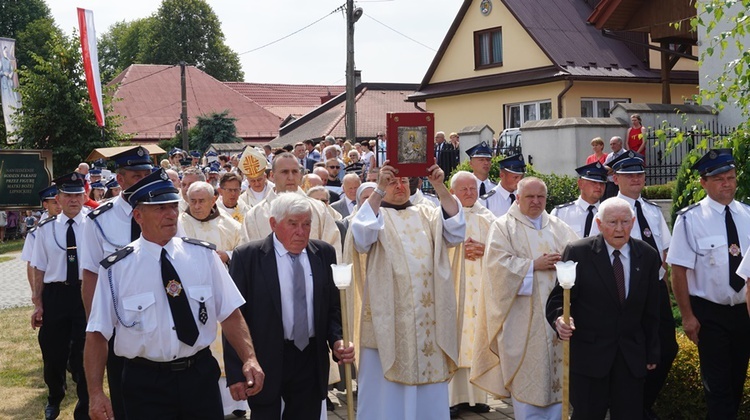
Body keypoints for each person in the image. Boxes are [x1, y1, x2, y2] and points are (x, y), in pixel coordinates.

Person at [84, 169, 265, 420]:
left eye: (172, 206)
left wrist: (250, 358)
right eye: (159, 208)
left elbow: (231, 313)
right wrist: (95, 393)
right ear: (138, 216)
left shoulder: (203, 256)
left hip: (198, 376)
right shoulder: (117, 269)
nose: (170, 214)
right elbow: (96, 334)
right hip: (145, 382)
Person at [348, 161, 465, 420]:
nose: (399, 186)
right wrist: (378, 190)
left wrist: (440, 186)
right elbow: (361, 238)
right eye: (392, 182)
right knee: (386, 398)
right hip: (387, 321)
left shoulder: (427, 213)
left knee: (428, 399)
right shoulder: (373, 215)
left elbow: (456, 231)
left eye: (404, 181)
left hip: (428, 324)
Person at [225, 193, 354, 419]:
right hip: (265, 359)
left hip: (310, 359)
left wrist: (337, 340)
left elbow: (333, 308)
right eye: (293, 224)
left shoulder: (323, 253)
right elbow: (235, 316)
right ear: (274, 224)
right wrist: (237, 371)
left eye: (306, 224)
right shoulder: (248, 257)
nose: (301, 232)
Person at [471, 177, 578, 419]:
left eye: (541, 197)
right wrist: (533, 265)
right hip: (522, 320)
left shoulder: (560, 228)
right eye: (529, 197)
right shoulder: (503, 227)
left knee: (558, 384)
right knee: (528, 386)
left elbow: (578, 263)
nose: (536, 201)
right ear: (517, 198)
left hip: (558, 318)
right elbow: (496, 268)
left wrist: (565, 265)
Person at [547, 197, 660, 420]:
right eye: (612, 222)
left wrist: (652, 349)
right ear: (599, 224)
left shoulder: (647, 255)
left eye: (625, 222)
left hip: (630, 355)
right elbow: (559, 298)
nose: (619, 228)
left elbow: (652, 309)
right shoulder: (579, 252)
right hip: (590, 355)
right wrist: (560, 319)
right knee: (588, 414)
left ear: (633, 222)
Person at [667, 149, 750, 419]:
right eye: (719, 179)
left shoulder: (748, 215)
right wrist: (688, 317)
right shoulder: (690, 219)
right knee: (717, 386)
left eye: (731, 177)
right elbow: (678, 270)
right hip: (710, 313)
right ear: (703, 182)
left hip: (744, 310)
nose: (727, 183)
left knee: (737, 380)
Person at [79, 145, 154, 419]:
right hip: (120, 322)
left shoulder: (163, 210)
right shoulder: (99, 220)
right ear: (120, 180)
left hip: (160, 318)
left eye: (147, 173)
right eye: (136, 175)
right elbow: (90, 275)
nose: (144, 179)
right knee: (125, 400)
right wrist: (96, 328)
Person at [612, 151, 677, 418]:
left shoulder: (651, 210)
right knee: (631, 351)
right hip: (626, 292)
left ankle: (642, 404)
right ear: (616, 178)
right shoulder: (610, 211)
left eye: (639, 174)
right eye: (629, 175)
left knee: (666, 347)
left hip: (656, 288)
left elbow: (664, 249)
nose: (636, 179)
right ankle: (630, 407)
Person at [30, 172, 90, 420]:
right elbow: (38, 267)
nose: (73, 200)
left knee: (85, 353)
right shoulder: (45, 229)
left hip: (85, 293)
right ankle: (55, 395)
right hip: (56, 294)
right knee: (52, 352)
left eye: (78, 195)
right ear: (58, 198)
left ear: (85, 196)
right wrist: (38, 302)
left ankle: (85, 405)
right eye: (68, 195)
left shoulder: (96, 224)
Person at [446, 171, 495, 417]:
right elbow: (433, 249)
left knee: (477, 340)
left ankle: (475, 398)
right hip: (455, 291)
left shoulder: (488, 217)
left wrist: (485, 249)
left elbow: (501, 249)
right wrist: (457, 251)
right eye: (463, 189)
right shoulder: (443, 216)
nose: (469, 193)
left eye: (472, 188)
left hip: (480, 292)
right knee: (455, 341)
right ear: (452, 191)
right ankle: (452, 400)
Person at [241, 152, 342, 260]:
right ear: (272, 176)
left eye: (294, 172)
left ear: (300, 175)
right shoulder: (254, 215)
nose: (290, 177)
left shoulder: (319, 210)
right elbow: (248, 258)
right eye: (284, 172)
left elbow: (333, 251)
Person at [550, 162, 607, 238]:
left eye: (602, 183)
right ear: (580, 184)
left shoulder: (608, 214)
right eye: (594, 182)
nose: (599, 187)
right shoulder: (561, 213)